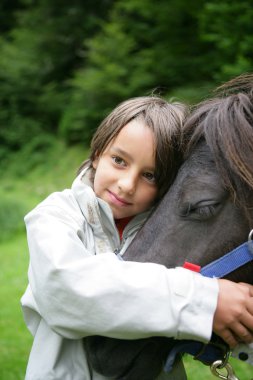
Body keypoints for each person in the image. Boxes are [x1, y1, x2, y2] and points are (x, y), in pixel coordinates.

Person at [21, 96, 253, 380]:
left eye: (150, 175)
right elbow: (63, 288)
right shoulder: (54, 217)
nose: (127, 184)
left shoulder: (160, 229)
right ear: (97, 154)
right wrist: (204, 301)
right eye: (119, 161)